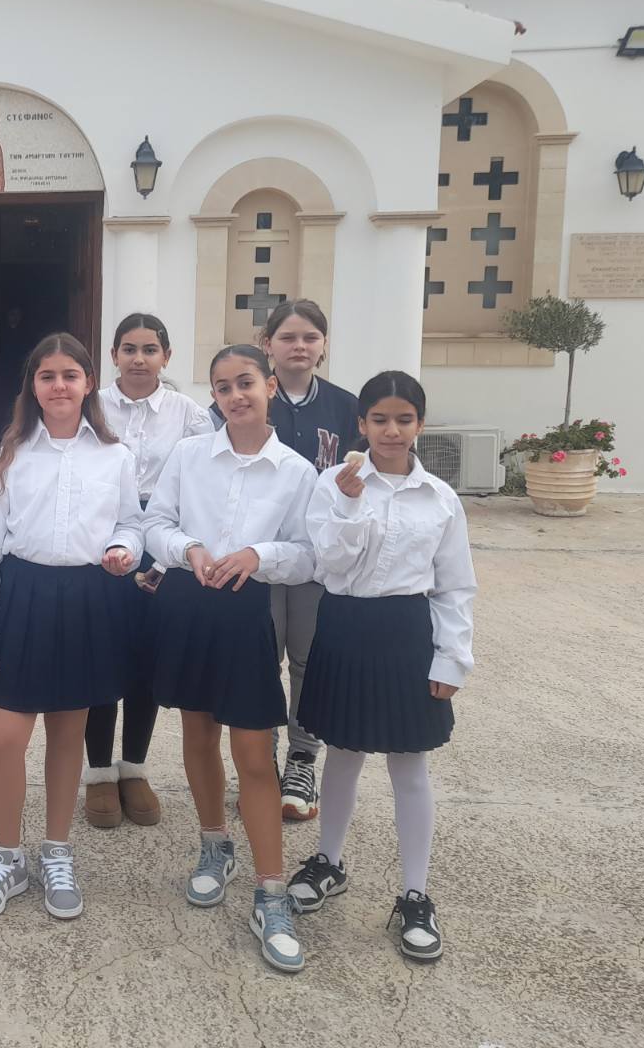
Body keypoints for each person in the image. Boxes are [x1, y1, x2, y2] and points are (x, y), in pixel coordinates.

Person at [290, 371, 475, 963]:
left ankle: (415, 894)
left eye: (403, 419)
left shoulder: (440, 498)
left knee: (410, 764)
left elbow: (455, 585)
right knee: (343, 753)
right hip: (345, 625)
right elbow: (329, 563)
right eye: (379, 419)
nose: (391, 431)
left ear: (420, 424)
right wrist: (348, 502)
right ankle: (329, 861)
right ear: (361, 423)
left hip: (405, 633)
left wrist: (452, 657)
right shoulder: (332, 483)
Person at [144, 344, 318, 974]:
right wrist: (188, 548)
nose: (235, 396)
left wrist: (257, 555)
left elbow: (309, 553)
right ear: (213, 397)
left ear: (269, 385)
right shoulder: (190, 455)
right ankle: (215, 844)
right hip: (189, 604)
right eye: (222, 387)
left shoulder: (297, 471)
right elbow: (154, 524)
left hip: (248, 613)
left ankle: (271, 892)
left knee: (253, 752)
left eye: (245, 382)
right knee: (197, 734)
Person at [0, 334, 143, 923]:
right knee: (4, 738)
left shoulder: (115, 456)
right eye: (47, 376)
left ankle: (56, 850)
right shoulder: (8, 456)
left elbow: (132, 523)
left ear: (89, 383)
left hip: (88, 599)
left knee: (68, 736)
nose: (59, 385)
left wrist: (123, 548)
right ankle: (6, 855)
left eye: (70, 375)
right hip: (24, 597)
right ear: (33, 387)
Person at [84, 313, 213, 830]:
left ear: (166, 356)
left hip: (164, 541)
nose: (139, 359)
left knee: (145, 659)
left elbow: (200, 487)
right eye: (129, 349)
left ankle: (133, 767)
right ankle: (98, 771)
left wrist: (165, 557)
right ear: (113, 355)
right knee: (101, 654)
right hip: (103, 538)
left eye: (150, 349)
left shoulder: (190, 415)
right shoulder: (91, 406)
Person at [258, 299, 359, 822]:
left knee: (306, 659)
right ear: (267, 344)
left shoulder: (346, 407)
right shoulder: (249, 398)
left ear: (323, 345)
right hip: (256, 554)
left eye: (310, 337)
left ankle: (301, 759)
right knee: (260, 657)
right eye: (288, 337)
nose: (299, 346)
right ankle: (259, 761)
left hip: (319, 558)